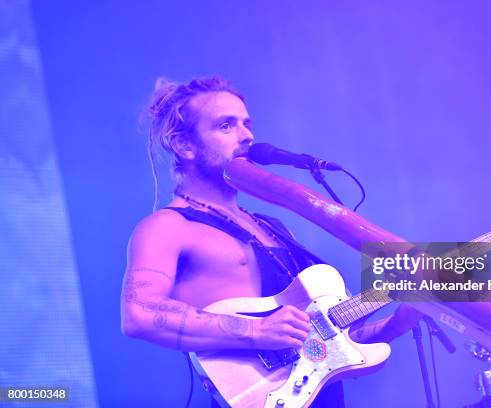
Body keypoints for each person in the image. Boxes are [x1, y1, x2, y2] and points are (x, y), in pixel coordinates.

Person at [121, 76, 421, 407]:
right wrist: (256, 331)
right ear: (184, 145)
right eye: (226, 126)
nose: (247, 135)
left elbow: (316, 343)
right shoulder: (167, 226)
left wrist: (394, 325)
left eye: (247, 124)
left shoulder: (270, 226)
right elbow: (139, 313)